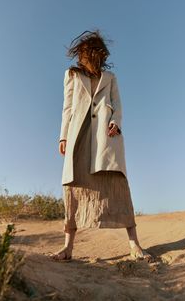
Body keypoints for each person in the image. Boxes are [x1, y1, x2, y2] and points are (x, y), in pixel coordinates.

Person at [50, 30, 153, 263]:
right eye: (86, 54)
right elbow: (67, 108)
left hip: (105, 138)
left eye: (92, 54)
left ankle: (134, 244)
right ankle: (67, 247)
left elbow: (118, 106)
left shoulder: (110, 78)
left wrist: (115, 122)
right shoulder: (72, 75)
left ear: (100, 56)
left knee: (117, 183)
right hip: (79, 136)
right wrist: (63, 137)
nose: (88, 58)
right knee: (73, 187)